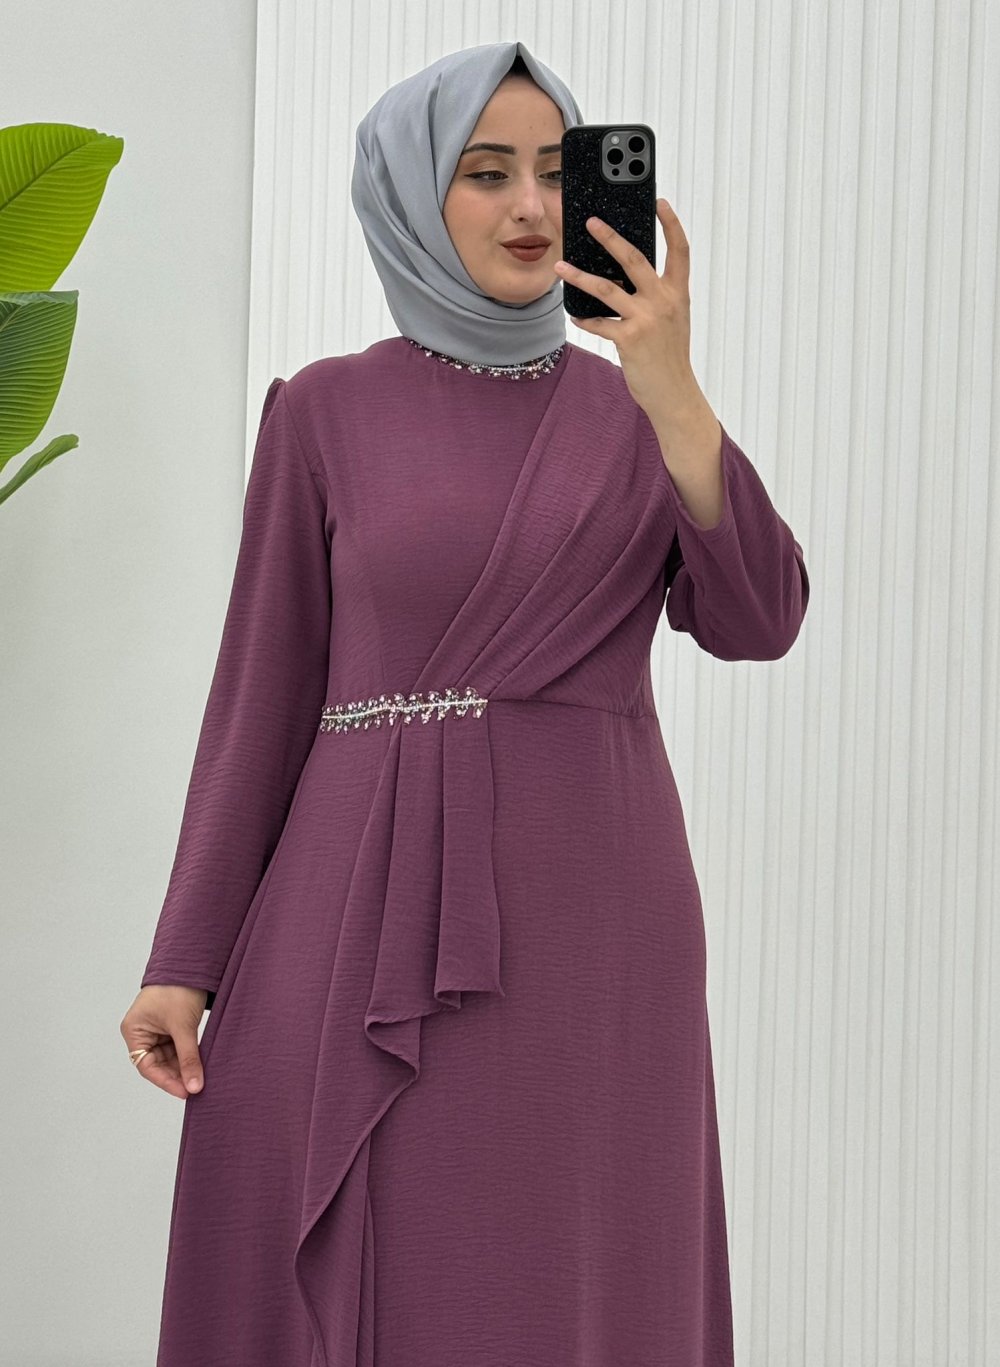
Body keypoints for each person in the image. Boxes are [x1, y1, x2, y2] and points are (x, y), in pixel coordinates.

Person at [121, 39, 809, 1367]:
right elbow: (261, 698)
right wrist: (183, 958)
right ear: (411, 191)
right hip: (352, 889)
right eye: (486, 173)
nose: (533, 207)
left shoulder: (640, 414)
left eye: (556, 170)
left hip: (590, 909)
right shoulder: (322, 411)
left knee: (561, 1263)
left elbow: (760, 619)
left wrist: (671, 384)